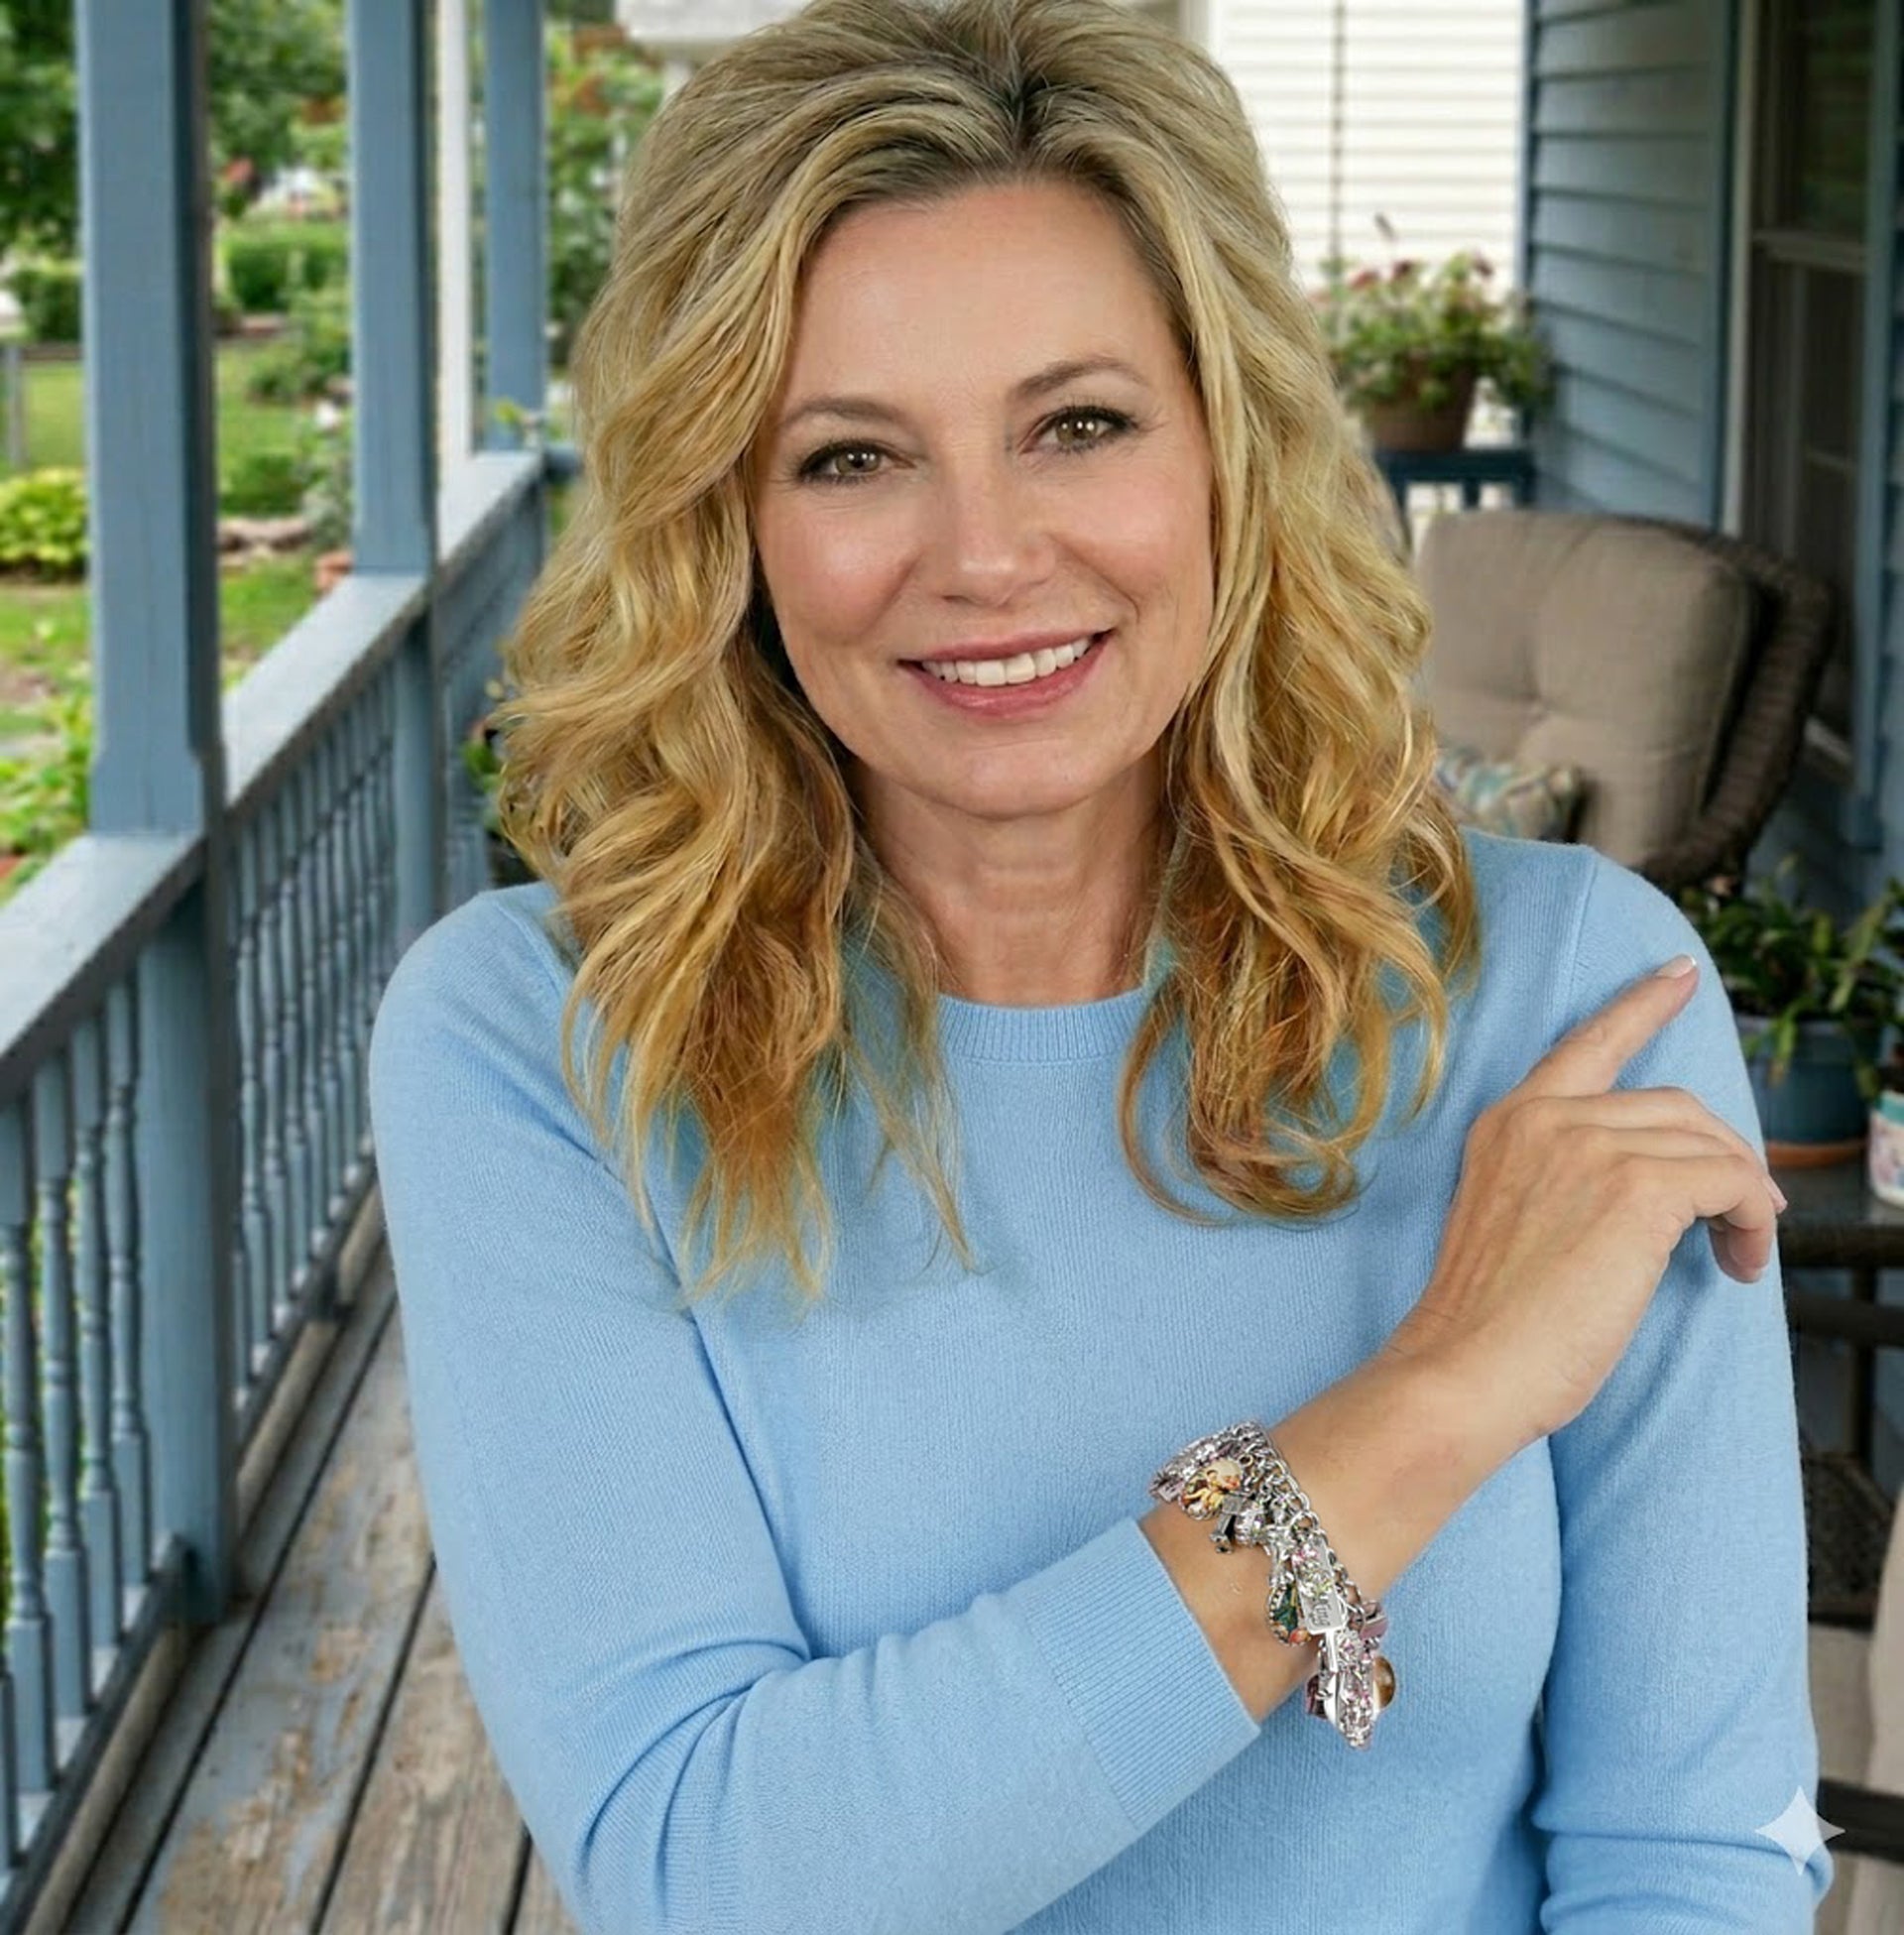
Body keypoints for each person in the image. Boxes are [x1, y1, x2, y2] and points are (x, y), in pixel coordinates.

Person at [365, 0, 1829, 1927]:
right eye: (854, 456)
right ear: (726, 517)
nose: (986, 554)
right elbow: (707, 1863)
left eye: (1080, 424)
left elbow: (1688, 1865)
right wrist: (1441, 1392)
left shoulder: (1573, 999)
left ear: (1230, 452)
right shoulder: (544, 1048)